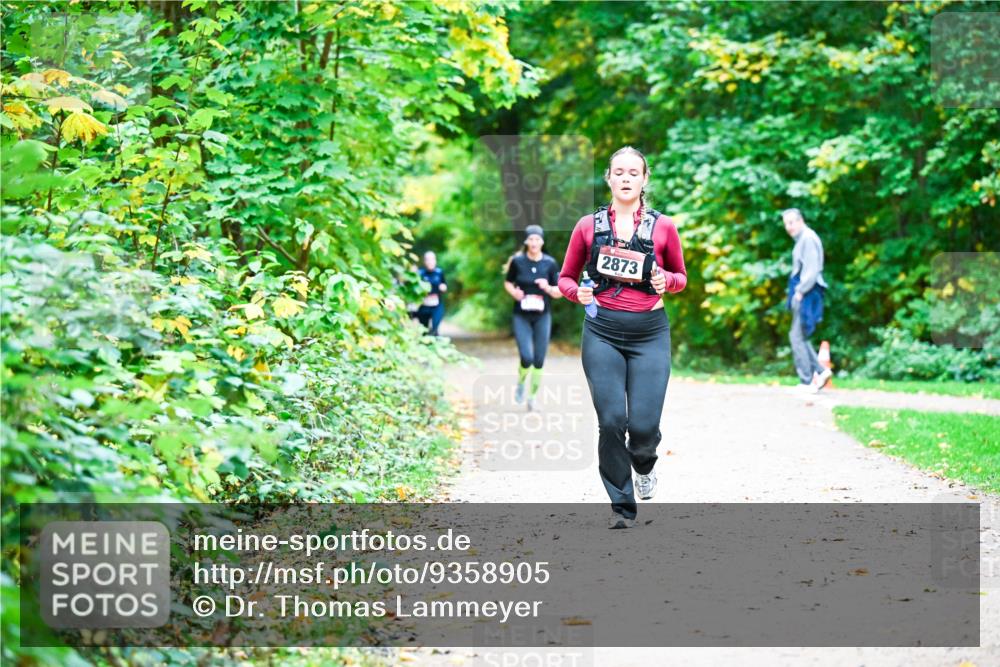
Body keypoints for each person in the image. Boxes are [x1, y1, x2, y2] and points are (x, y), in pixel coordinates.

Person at [558, 146, 687, 529]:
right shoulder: (588, 226)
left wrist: (667, 281)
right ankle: (622, 507)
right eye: (619, 172)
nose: (626, 178)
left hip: (650, 334)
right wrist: (576, 293)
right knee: (612, 420)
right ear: (609, 179)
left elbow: (681, 276)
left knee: (643, 430)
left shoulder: (664, 227)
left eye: (634, 172)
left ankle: (644, 465)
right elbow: (566, 278)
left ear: (644, 179)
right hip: (602, 333)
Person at [504, 225, 562, 411]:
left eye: (537, 239)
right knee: (526, 357)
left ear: (542, 242)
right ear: (526, 241)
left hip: (542, 316)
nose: (534, 242)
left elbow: (559, 292)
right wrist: (514, 293)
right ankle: (521, 383)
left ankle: (532, 398)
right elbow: (508, 282)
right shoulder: (518, 261)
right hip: (521, 316)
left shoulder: (550, 263)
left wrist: (547, 287)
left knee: (539, 360)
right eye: (531, 239)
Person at [782, 208, 832, 393]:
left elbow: (811, 269)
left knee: (796, 336)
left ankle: (807, 381)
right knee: (800, 335)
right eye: (786, 224)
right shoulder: (803, 239)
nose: (789, 227)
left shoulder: (808, 238)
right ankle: (821, 372)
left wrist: (800, 291)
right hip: (805, 291)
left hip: (807, 292)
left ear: (801, 220)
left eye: (791, 222)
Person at [416, 251, 447, 336]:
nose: (430, 262)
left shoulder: (439, 272)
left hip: (437, 305)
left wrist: (443, 287)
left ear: (435, 261)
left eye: (432, 259)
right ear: (424, 261)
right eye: (428, 259)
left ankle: (435, 339)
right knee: (424, 330)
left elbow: (444, 284)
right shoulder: (420, 273)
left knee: (435, 328)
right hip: (423, 306)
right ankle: (425, 342)